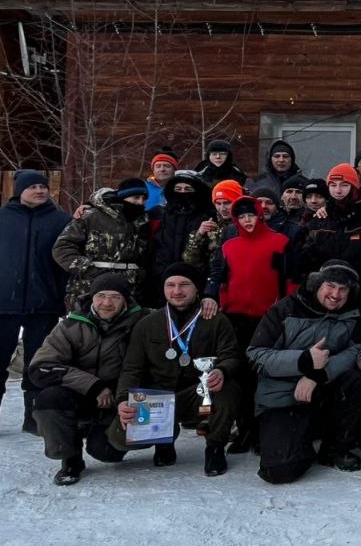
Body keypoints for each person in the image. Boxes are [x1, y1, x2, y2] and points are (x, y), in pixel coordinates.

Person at [109, 263, 242, 477]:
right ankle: (164, 439)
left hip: (197, 396)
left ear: (197, 288)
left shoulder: (215, 319)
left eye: (184, 285)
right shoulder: (147, 323)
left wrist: (222, 371)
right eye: (170, 285)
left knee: (227, 389)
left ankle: (215, 446)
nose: (177, 291)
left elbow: (231, 355)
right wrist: (123, 399)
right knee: (118, 438)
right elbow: (131, 368)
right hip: (158, 398)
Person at [248, 260, 361, 483]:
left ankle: (334, 448)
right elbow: (256, 355)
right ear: (317, 284)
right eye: (330, 286)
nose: (336, 294)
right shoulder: (285, 309)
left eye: (343, 289)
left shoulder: (354, 314)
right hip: (283, 396)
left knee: (358, 380)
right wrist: (303, 360)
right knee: (280, 471)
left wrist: (317, 374)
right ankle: (296, 440)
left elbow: (357, 350)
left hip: (322, 388)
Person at [28, 273, 144, 485]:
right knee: (49, 398)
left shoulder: (142, 322)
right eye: (100, 295)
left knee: (108, 454)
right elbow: (40, 368)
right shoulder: (70, 325)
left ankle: (100, 433)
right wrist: (93, 386)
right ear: (92, 298)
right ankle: (70, 459)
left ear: (126, 300)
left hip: (119, 397)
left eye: (115, 297)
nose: (106, 303)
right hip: (81, 394)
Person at [206, 196, 293, 453]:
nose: (247, 221)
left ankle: (262, 430)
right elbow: (218, 276)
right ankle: (244, 430)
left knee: (263, 375)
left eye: (251, 216)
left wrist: (285, 311)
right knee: (241, 376)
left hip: (267, 319)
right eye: (242, 217)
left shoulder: (279, 242)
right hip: (235, 318)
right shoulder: (229, 246)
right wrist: (212, 297)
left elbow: (288, 280)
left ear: (260, 215)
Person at [1, 170, 70, 434]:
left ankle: (34, 417)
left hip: (44, 303)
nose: (40, 190)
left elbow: (66, 263)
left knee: (38, 363)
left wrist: (63, 295)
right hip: (3, 303)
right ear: (19, 190)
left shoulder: (60, 220)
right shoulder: (3, 218)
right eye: (33, 187)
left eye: (43, 186)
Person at [291, 163, 361, 323]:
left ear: (354, 186)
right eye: (333, 185)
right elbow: (298, 263)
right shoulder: (318, 221)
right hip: (324, 304)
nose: (338, 190)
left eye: (344, 185)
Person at [53, 178, 151, 308]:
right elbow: (62, 247)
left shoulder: (142, 221)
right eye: (135, 197)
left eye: (144, 199)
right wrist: (88, 269)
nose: (140, 202)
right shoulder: (91, 217)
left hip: (129, 291)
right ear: (123, 197)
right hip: (89, 289)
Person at [146, 170, 214, 304]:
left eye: (188, 189)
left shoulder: (207, 216)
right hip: (162, 277)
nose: (182, 192)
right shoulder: (161, 214)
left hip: (195, 278)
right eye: (178, 189)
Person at [182, 178, 243, 275]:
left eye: (227, 203)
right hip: (213, 279)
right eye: (218, 203)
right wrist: (198, 235)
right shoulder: (210, 223)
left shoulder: (247, 223)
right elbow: (190, 261)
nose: (222, 208)